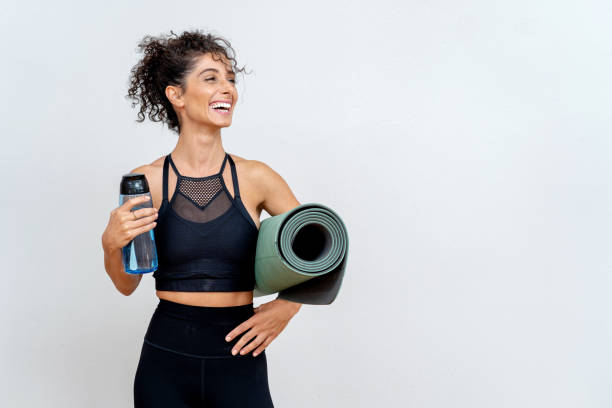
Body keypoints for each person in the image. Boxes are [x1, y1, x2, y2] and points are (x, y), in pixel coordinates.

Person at [101, 29, 302, 407]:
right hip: (166, 356)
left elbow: (322, 252)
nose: (227, 88)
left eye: (230, 80)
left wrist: (287, 307)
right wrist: (110, 244)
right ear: (176, 95)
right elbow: (127, 285)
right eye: (211, 78)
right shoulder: (146, 181)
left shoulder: (258, 178)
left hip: (240, 353)